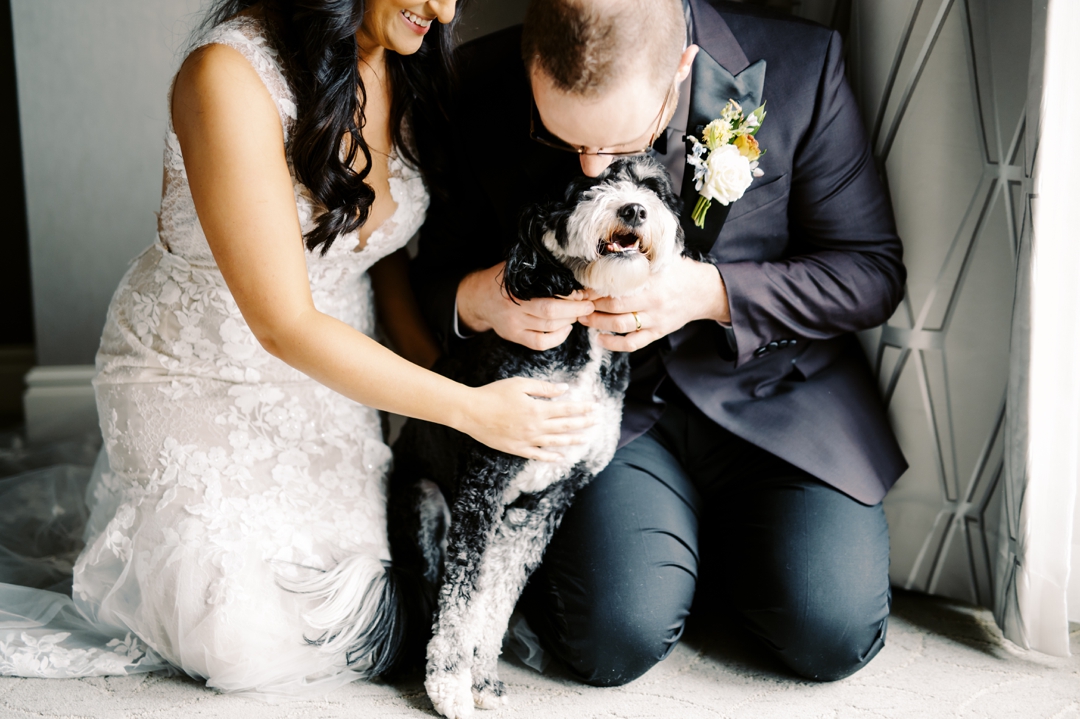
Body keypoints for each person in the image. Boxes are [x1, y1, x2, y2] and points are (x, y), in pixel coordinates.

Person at [0, 0, 596, 698]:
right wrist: (467, 408)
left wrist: (434, 372)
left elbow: (379, 253)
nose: (442, 9)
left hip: (336, 357)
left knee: (389, 587)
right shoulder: (226, 75)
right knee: (239, 632)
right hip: (199, 363)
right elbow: (282, 323)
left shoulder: (406, 58)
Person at [411, 0, 908, 686]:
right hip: (609, 419)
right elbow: (429, 274)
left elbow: (870, 271)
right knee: (611, 638)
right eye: (567, 142)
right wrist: (479, 299)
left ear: (682, 71)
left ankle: (724, 554)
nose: (591, 169)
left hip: (780, 398)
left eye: (617, 145)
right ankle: (662, 559)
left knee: (831, 630)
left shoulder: (802, 68)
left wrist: (710, 293)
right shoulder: (480, 81)